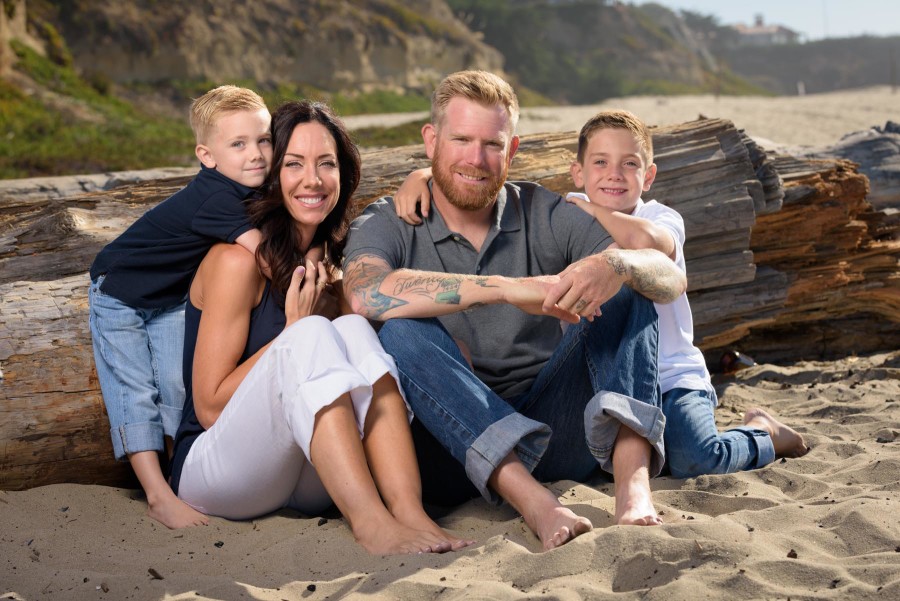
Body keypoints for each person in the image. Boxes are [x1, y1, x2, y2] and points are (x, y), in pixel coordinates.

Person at [342, 70, 687, 551]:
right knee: (399, 332)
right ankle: (536, 503)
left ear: (513, 148)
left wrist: (616, 262)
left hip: (557, 430)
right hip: (448, 452)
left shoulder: (542, 210)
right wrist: (504, 288)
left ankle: (633, 490)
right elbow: (365, 293)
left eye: (491, 144)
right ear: (431, 140)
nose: (475, 158)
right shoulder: (388, 221)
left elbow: (670, 278)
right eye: (461, 138)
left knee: (629, 285)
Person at [168, 100, 473, 555]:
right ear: (272, 174)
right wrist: (292, 330)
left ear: (342, 176)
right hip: (218, 472)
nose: (312, 180)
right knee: (311, 333)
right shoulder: (236, 262)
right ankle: (371, 524)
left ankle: (408, 512)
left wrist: (423, 175)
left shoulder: (330, 265)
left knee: (352, 328)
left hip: (306, 474)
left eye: (326, 164)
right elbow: (209, 407)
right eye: (293, 164)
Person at [564, 109, 809, 477]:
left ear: (648, 176)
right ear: (578, 172)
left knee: (696, 459)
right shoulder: (566, 216)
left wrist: (592, 208)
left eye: (628, 163)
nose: (614, 173)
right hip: (604, 379)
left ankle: (764, 432)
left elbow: (648, 242)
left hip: (672, 378)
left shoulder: (662, 217)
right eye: (600, 162)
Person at [88, 85, 274, 529]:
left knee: (179, 382)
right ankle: (157, 495)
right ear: (206, 156)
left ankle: (179, 477)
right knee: (135, 390)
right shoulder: (216, 197)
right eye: (238, 144)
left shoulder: (249, 188)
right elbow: (265, 257)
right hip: (120, 294)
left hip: (171, 296)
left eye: (263, 139)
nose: (256, 154)